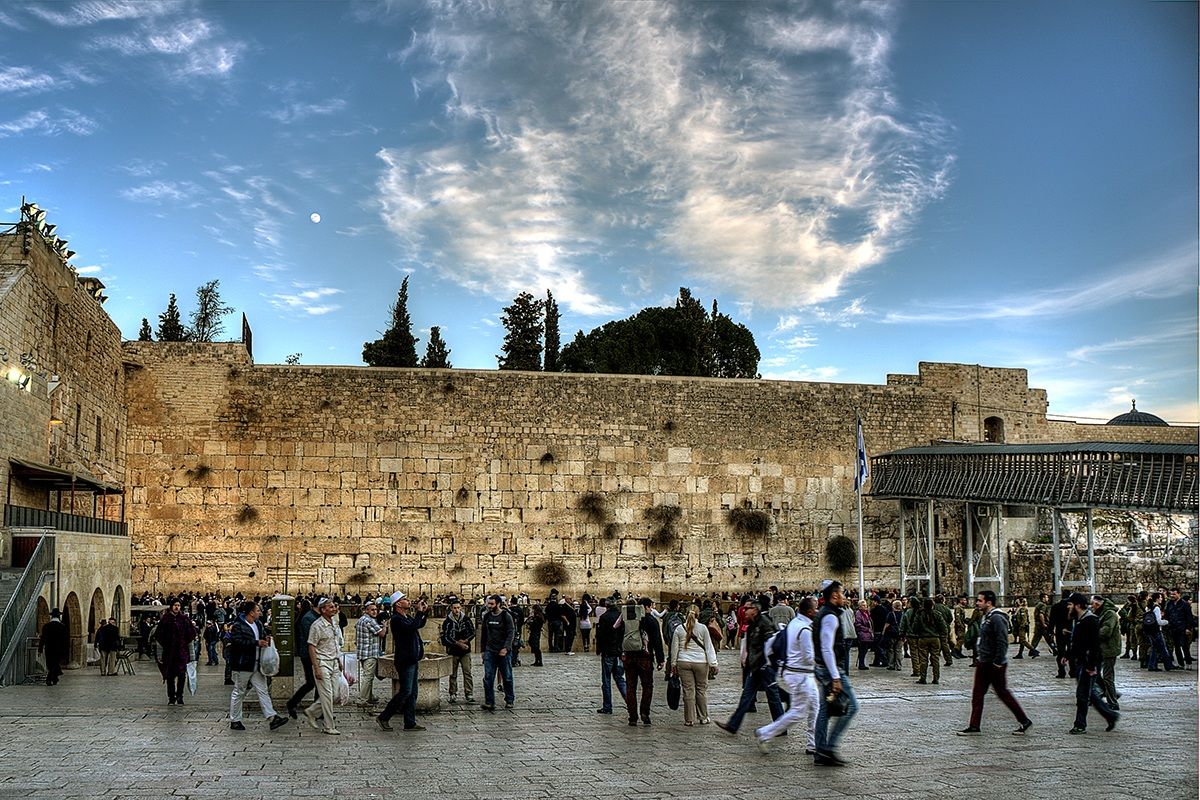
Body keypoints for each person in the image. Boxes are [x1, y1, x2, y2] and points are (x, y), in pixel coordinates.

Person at [958, 590, 1032, 736]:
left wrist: (998, 661)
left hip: (993, 663)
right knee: (978, 693)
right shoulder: (987, 617)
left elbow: (1002, 641)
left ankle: (1024, 720)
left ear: (988, 602)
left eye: (979, 600)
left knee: (1002, 693)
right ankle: (974, 725)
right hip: (984, 661)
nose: (977, 603)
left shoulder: (997, 618)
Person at [756, 596, 820, 754]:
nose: (818, 610)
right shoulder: (805, 629)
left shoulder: (795, 623)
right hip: (801, 675)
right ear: (810, 611)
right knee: (798, 712)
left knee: (814, 707)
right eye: (816, 608)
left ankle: (813, 744)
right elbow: (808, 657)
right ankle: (765, 733)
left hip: (797, 673)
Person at [812, 581, 859, 766]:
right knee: (852, 706)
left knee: (824, 711)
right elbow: (826, 648)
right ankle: (829, 747)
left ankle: (821, 751)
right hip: (830, 669)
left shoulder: (825, 613)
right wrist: (836, 677)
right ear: (834, 596)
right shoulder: (830, 616)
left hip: (823, 668)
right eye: (842, 594)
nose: (845, 597)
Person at [228, 601, 289, 732]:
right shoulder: (238, 626)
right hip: (243, 664)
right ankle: (235, 720)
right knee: (239, 691)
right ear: (251, 612)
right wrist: (256, 642)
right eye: (257, 610)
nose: (259, 612)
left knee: (263, 690)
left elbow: (261, 636)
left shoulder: (258, 624)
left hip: (256, 664)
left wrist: (266, 639)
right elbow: (237, 642)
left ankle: (272, 718)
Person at [1067, 592, 1119, 734]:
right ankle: (1110, 715)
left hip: (1089, 663)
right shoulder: (1079, 619)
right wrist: (1068, 655)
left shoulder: (1090, 620)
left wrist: (1091, 666)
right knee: (1089, 693)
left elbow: (1094, 645)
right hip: (1082, 661)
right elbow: (1078, 643)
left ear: (1077, 605)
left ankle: (1080, 724)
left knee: (1082, 694)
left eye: (1070, 604)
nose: (1068, 607)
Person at [377, 594, 428, 731]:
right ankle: (384, 717)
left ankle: (410, 722)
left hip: (412, 658)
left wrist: (424, 612)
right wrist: (418, 612)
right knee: (405, 691)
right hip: (405, 660)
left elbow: (418, 624)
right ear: (398, 604)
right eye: (404, 599)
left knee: (412, 693)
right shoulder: (396, 619)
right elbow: (411, 628)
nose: (408, 600)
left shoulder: (406, 617)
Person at [668, 604, 718, 727]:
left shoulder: (679, 629)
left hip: (683, 661)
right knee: (701, 690)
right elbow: (708, 647)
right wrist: (713, 663)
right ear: (698, 614)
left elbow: (674, 649)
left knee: (688, 690)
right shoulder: (703, 628)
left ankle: (689, 719)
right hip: (701, 662)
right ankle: (703, 717)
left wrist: (673, 664)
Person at [305, 598, 346, 735]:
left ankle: (312, 711)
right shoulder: (317, 626)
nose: (334, 609)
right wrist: (316, 667)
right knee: (327, 695)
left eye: (334, 606)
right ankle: (329, 726)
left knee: (335, 694)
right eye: (331, 607)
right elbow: (311, 646)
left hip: (334, 662)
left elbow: (335, 643)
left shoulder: (334, 623)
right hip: (322, 662)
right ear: (323, 610)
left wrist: (339, 659)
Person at [622, 597, 665, 726]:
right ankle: (645, 714)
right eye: (650, 606)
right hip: (645, 658)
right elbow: (657, 641)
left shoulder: (628, 620)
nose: (651, 608)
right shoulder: (651, 620)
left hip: (629, 657)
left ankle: (632, 717)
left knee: (630, 687)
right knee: (647, 686)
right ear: (646, 607)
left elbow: (620, 635)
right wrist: (661, 659)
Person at [155, 600, 196, 705]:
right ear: (171, 606)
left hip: (181, 653)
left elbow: (190, 639)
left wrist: (192, 656)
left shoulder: (184, 620)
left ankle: (180, 696)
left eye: (178, 605)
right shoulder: (165, 620)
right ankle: (171, 697)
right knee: (170, 677)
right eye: (175, 605)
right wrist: (159, 654)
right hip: (169, 653)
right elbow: (159, 638)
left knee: (182, 676)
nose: (177, 607)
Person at [479, 594, 515, 710]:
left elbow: (511, 632)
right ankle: (489, 702)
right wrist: (483, 650)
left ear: (498, 604)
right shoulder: (487, 617)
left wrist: (506, 648)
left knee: (507, 676)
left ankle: (509, 700)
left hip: (503, 651)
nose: (489, 606)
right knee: (488, 677)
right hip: (490, 650)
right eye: (488, 603)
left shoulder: (506, 616)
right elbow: (484, 634)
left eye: (492, 604)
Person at [286, 599, 319, 717]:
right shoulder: (309, 618)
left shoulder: (312, 616)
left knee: (316, 682)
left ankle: (317, 709)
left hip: (311, 654)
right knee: (312, 682)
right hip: (308, 654)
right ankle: (293, 703)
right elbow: (311, 639)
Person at [594, 599, 627, 714]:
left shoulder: (604, 617)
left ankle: (607, 707)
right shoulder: (621, 616)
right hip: (618, 652)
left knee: (606, 680)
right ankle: (630, 702)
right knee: (620, 679)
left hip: (608, 652)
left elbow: (600, 635)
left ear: (606, 606)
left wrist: (599, 649)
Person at [440, 597, 476, 702]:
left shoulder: (466, 619)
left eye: (458, 608)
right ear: (451, 608)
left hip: (465, 651)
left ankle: (469, 693)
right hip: (453, 651)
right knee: (453, 674)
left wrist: (466, 640)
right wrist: (458, 643)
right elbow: (446, 637)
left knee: (467, 672)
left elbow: (472, 632)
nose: (457, 610)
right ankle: (453, 693)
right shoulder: (447, 622)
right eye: (455, 608)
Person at [1091, 594, 1122, 710]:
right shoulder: (1101, 614)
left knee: (1108, 676)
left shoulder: (1109, 614)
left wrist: (1092, 634)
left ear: (1098, 604)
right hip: (1102, 649)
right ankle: (1106, 695)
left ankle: (1113, 702)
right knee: (1096, 673)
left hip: (1109, 649)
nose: (1092, 607)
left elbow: (1106, 631)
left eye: (1093, 604)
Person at [355, 601, 388, 706]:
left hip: (363, 652)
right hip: (370, 653)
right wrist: (385, 625)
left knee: (367, 676)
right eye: (372, 610)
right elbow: (382, 634)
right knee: (368, 677)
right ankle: (362, 700)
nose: (375, 612)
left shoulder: (361, 619)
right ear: (366, 610)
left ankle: (369, 696)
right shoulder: (370, 621)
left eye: (376, 609)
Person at [911, 598, 947, 684]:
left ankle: (923, 678)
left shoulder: (920, 614)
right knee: (935, 658)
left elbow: (914, 628)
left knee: (923, 659)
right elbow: (944, 628)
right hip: (935, 638)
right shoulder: (937, 614)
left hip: (923, 638)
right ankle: (936, 678)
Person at [1143, 593, 1175, 672]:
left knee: (1154, 648)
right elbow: (1158, 621)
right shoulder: (1156, 608)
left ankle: (1152, 665)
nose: (1161, 599)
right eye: (1160, 597)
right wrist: (1167, 622)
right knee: (1163, 648)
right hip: (1156, 630)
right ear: (1157, 599)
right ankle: (1168, 665)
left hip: (1150, 630)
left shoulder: (1148, 607)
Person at [1164, 589, 1195, 668]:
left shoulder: (1184, 604)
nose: (1172, 596)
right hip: (1173, 628)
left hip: (1182, 627)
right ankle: (1180, 663)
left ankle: (1188, 662)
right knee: (1176, 646)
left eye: (1174, 594)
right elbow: (1167, 614)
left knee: (1185, 646)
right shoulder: (1169, 604)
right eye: (1171, 594)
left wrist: (1188, 628)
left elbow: (1189, 617)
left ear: (1179, 594)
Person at [38, 608, 69, 685]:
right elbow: (65, 640)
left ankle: (54, 678)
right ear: (59, 617)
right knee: (55, 663)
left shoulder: (46, 626)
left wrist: (40, 649)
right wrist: (66, 650)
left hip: (49, 648)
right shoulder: (63, 627)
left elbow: (43, 638)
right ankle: (51, 678)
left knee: (50, 663)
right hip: (59, 649)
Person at [853, 600, 874, 671]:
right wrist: (866, 629)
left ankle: (862, 663)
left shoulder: (867, 613)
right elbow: (858, 624)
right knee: (862, 649)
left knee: (865, 649)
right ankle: (861, 664)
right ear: (860, 606)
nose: (865, 607)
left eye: (865, 605)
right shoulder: (859, 613)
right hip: (862, 633)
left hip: (868, 634)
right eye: (863, 605)